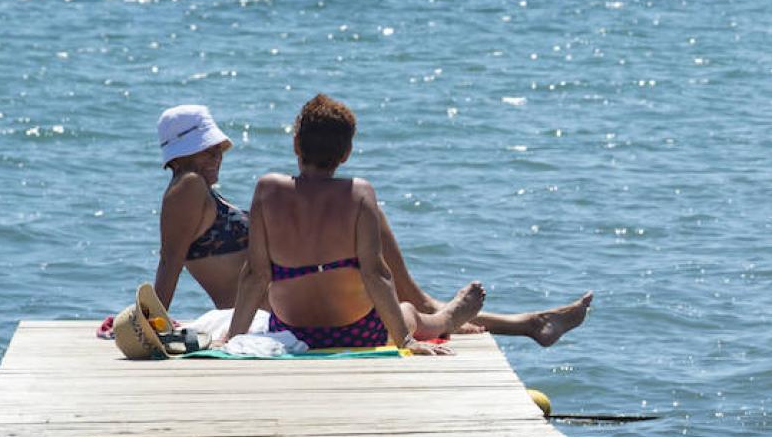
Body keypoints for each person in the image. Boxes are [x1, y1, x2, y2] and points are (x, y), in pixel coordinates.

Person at [114, 103, 591, 344]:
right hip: (267, 311)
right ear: (183, 152)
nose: (220, 154)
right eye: (210, 148)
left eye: (218, 147)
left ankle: (522, 323)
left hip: (283, 300)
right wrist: (153, 324)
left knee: (398, 278)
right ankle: (508, 323)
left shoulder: (195, 188)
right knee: (404, 288)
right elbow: (170, 262)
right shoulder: (187, 189)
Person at [223, 94, 507, 353]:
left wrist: (234, 339)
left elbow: (255, 275)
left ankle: (445, 316)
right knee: (407, 312)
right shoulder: (359, 194)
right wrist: (405, 341)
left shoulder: (268, 190)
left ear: (296, 143)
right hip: (358, 333)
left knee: (403, 310)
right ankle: (447, 317)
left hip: (290, 331)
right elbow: (376, 274)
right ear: (346, 153)